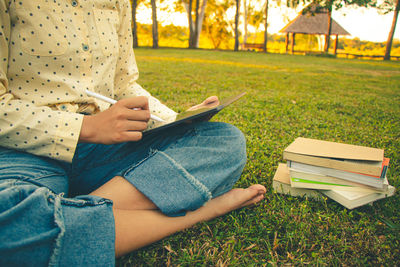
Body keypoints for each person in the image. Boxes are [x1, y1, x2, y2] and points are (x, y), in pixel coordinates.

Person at [0, 0, 266, 266]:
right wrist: (87, 127)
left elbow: (123, 83)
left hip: (107, 148)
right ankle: (200, 212)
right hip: (26, 152)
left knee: (224, 142)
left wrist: (173, 119)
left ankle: (65, 215)